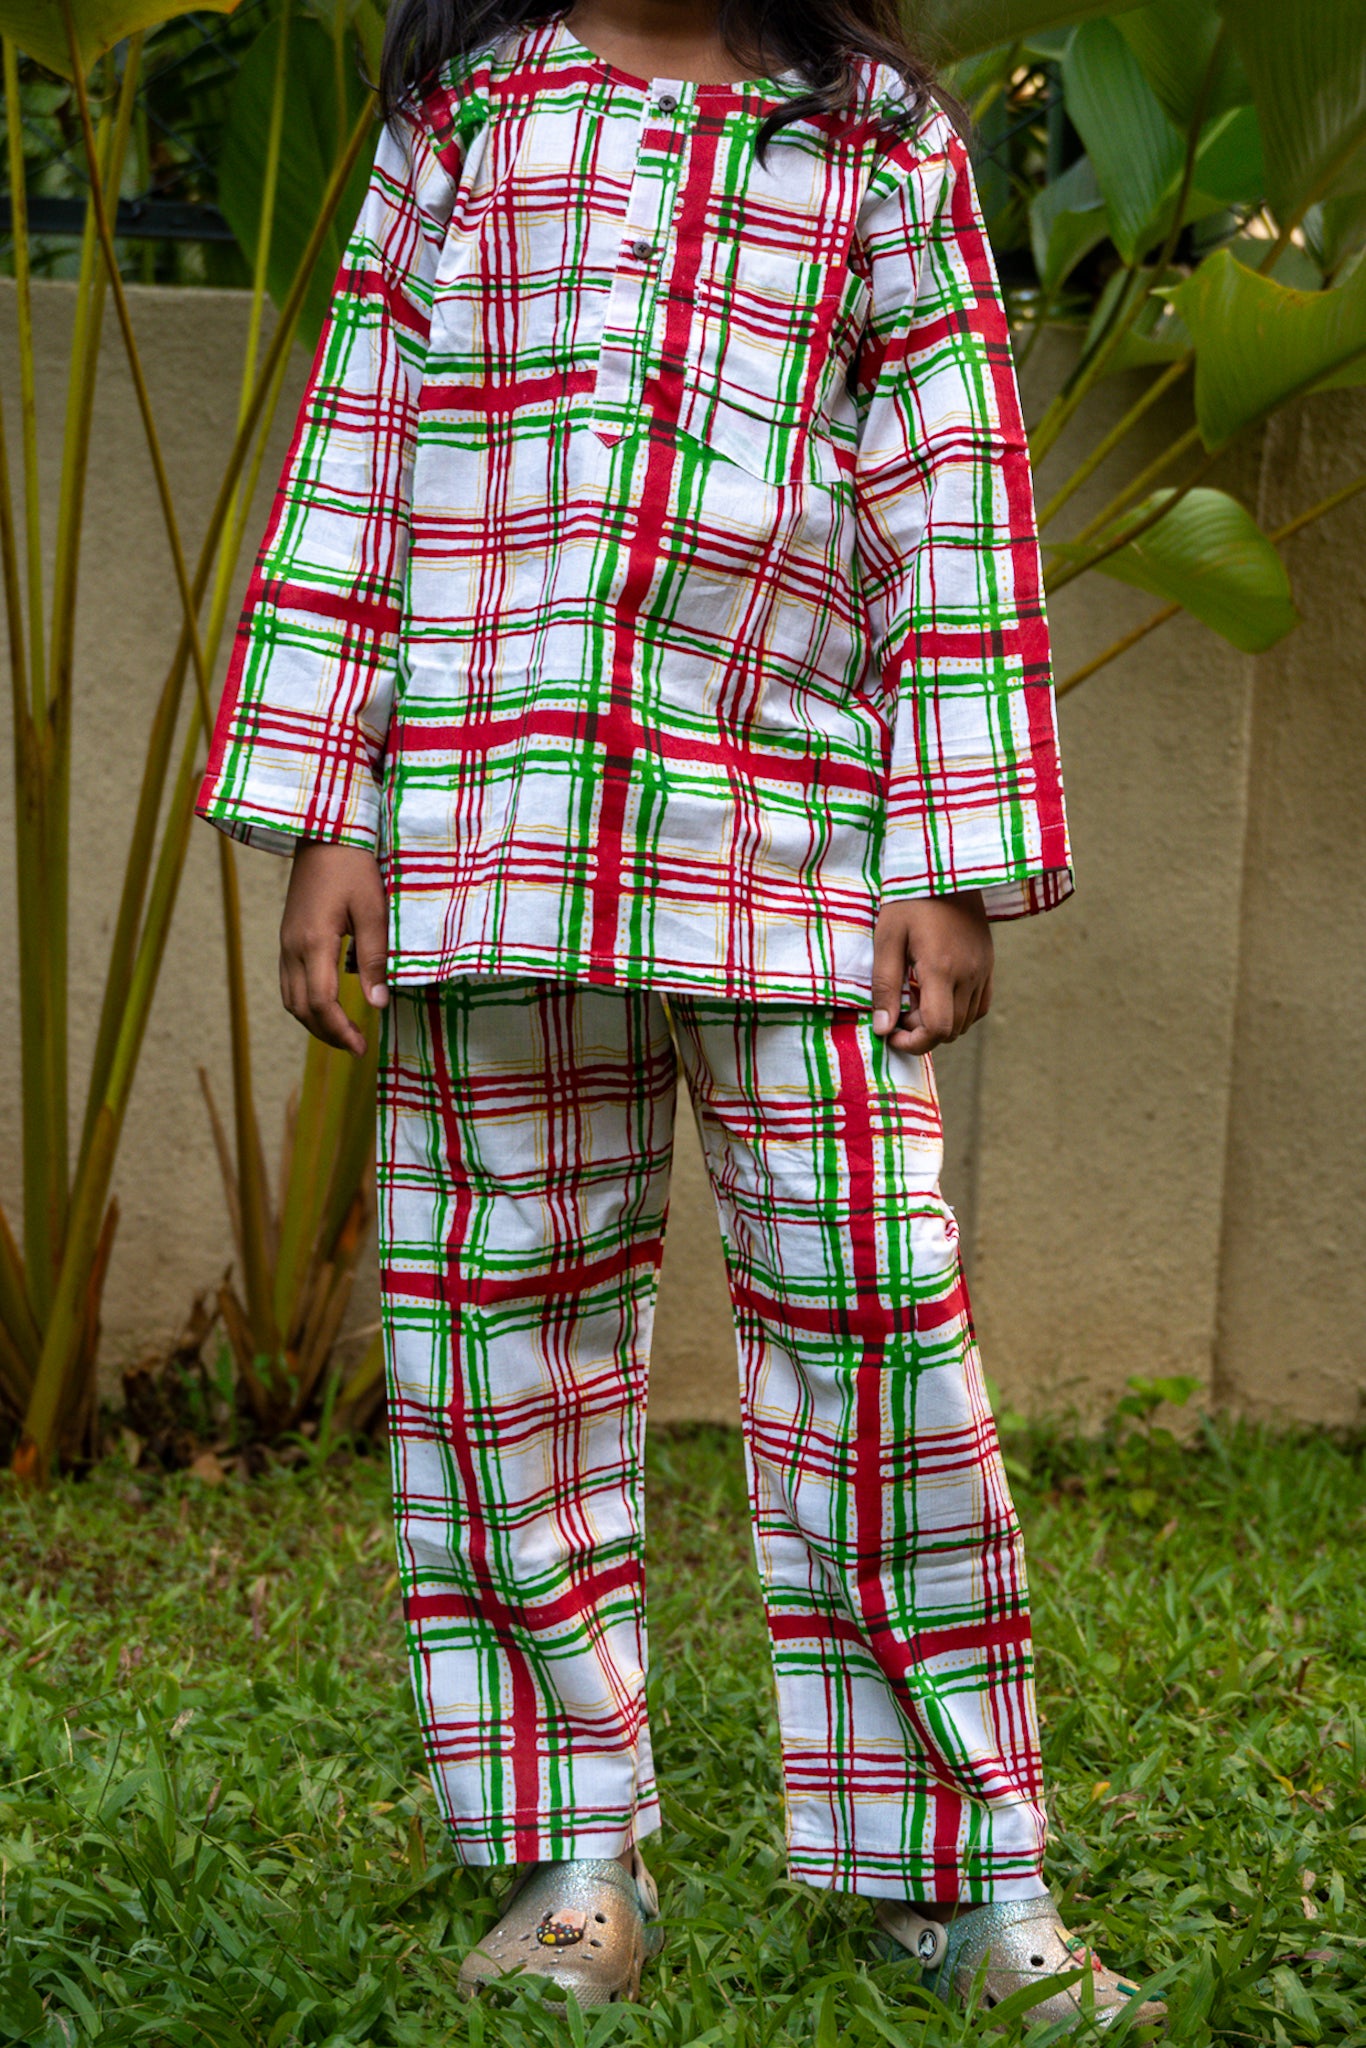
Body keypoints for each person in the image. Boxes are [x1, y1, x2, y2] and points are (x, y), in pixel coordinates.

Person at [196, 0, 1163, 2027]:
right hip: (491, 815)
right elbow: (361, 443)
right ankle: (573, 1856)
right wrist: (329, 817)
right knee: (504, 1350)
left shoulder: (873, 129)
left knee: (881, 1323)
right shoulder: (465, 109)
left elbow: (950, 486)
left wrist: (945, 848)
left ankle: (953, 1867)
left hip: (796, 829)